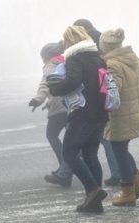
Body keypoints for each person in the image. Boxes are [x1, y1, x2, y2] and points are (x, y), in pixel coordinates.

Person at [48, 25, 108, 213]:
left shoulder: (75, 57)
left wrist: (55, 89)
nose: (65, 45)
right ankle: (95, 203)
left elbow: (73, 80)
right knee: (90, 155)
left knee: (69, 153)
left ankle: (93, 189)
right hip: (100, 113)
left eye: (67, 41)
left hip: (82, 113)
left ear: (72, 40)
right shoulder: (97, 57)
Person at [99, 28, 139, 206]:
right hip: (136, 111)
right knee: (122, 149)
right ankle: (137, 186)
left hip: (121, 116)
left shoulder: (112, 63)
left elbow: (115, 89)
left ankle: (128, 192)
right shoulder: (133, 58)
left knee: (118, 150)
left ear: (105, 47)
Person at [73, 18, 121, 186]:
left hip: (97, 101)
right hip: (103, 101)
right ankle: (119, 173)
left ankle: (117, 174)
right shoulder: (100, 39)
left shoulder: (89, 43)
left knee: (101, 142)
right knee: (104, 140)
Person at [29, 41, 71, 181]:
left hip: (59, 109)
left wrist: (38, 99)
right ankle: (65, 168)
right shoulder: (67, 62)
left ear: (48, 56)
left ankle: (64, 166)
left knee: (51, 135)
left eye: (43, 57)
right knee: (71, 139)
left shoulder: (50, 66)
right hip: (71, 106)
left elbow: (45, 84)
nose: (42, 60)